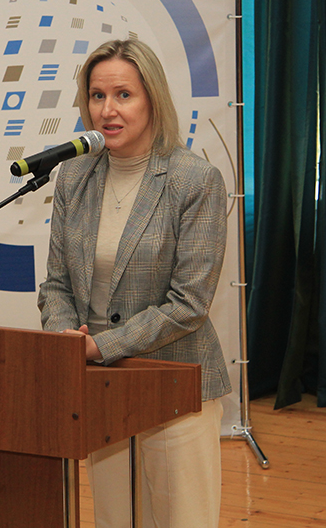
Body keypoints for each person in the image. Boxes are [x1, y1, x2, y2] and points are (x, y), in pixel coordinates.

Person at [38, 38, 230, 528]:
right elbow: (57, 284)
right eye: (97, 96)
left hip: (176, 382)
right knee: (115, 519)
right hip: (101, 388)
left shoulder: (195, 180)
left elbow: (189, 304)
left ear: (152, 99)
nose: (108, 110)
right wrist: (64, 338)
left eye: (124, 95)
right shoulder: (73, 176)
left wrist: (100, 346)